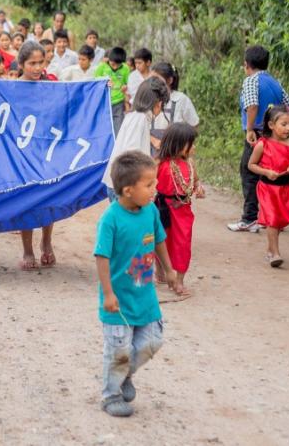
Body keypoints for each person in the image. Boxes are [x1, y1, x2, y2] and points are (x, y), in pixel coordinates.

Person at [96, 150, 178, 418]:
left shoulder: (150, 210)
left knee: (152, 341)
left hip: (145, 295)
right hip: (117, 300)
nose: (155, 189)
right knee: (119, 349)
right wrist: (107, 293)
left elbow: (159, 239)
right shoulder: (111, 218)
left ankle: (123, 375)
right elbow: (102, 256)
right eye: (149, 185)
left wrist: (168, 268)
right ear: (128, 190)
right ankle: (110, 395)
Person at [228, 45, 289, 233]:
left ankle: (250, 218)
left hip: (257, 134)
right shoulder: (275, 82)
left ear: (246, 64)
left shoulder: (251, 81)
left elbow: (252, 106)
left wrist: (250, 128)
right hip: (272, 136)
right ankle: (270, 217)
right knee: (266, 175)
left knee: (249, 171)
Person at [16, 42, 59, 270]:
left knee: (48, 199)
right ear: (21, 64)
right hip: (22, 155)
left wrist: (101, 88)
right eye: (31, 63)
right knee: (27, 201)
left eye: (40, 63)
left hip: (47, 152)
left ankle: (47, 240)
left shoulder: (51, 86)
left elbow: (70, 102)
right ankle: (27, 249)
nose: (36, 68)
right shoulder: (12, 89)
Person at [248, 105, 289, 268]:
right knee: (272, 219)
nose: (288, 128)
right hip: (268, 188)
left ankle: (270, 249)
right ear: (271, 125)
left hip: (286, 188)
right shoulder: (262, 144)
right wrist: (265, 171)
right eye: (283, 124)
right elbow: (251, 165)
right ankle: (275, 254)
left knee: (279, 220)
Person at [156, 123, 203, 297]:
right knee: (161, 241)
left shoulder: (189, 164)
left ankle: (179, 281)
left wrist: (198, 187)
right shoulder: (161, 163)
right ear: (177, 144)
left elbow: (195, 181)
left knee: (182, 245)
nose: (194, 147)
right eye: (190, 144)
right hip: (162, 208)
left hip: (183, 212)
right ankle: (160, 271)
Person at [106, 78, 170, 188]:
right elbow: (131, 155)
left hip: (122, 183)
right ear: (159, 103)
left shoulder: (135, 116)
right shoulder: (139, 119)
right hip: (126, 186)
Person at [149, 62, 200, 144]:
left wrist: (181, 142)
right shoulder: (147, 98)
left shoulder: (181, 99)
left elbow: (194, 127)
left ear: (169, 80)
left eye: (156, 79)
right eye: (150, 79)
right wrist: (153, 140)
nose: (152, 82)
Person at [94, 47, 130, 134]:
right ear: (108, 59)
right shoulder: (101, 67)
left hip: (118, 102)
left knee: (118, 128)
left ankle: (117, 145)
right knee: (104, 127)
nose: (115, 67)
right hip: (104, 102)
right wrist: (104, 84)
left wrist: (125, 86)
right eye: (113, 64)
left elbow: (127, 83)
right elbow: (95, 83)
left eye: (118, 65)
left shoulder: (125, 68)